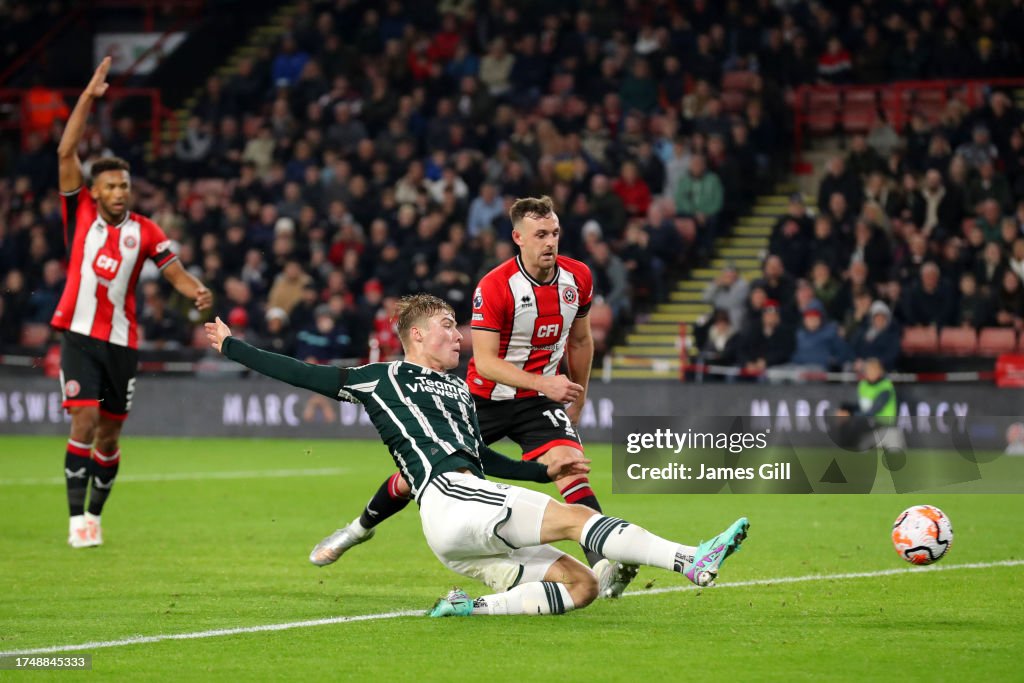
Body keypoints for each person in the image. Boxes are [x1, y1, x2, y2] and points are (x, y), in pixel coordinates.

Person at [204, 295, 749, 616]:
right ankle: (688, 560)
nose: (458, 335)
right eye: (446, 327)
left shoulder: (461, 393)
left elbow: (483, 460)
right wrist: (232, 345)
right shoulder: (383, 377)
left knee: (581, 587)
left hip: (458, 523)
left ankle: (471, 608)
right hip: (449, 499)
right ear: (416, 335)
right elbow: (304, 373)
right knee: (579, 518)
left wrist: (541, 469)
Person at [311, 196, 637, 598]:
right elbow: (484, 363)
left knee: (569, 467)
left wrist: (580, 393)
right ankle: (357, 530)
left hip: (538, 402)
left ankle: (603, 566)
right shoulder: (496, 286)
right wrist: (545, 383)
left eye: (554, 233)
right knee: (422, 475)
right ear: (518, 238)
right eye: (540, 235)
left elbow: (582, 339)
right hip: (483, 400)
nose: (550, 242)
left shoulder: (579, 278)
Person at [54, 58, 212, 548]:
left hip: (122, 344)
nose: (121, 192)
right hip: (78, 335)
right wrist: (88, 97)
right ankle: (75, 520)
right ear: (95, 191)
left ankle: (96, 515)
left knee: (109, 437)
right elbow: (65, 150)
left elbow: (175, 273)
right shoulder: (79, 211)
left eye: (125, 185)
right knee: (83, 419)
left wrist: (199, 293)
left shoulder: (146, 230)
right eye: (112, 186)